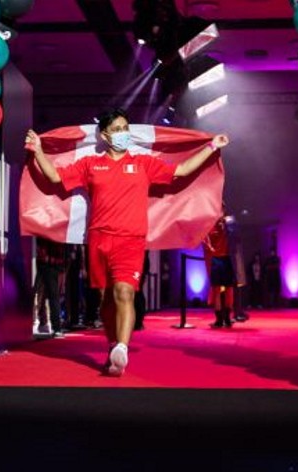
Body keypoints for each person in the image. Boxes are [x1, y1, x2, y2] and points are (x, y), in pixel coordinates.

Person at [26, 108, 229, 376]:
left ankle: (122, 346)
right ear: (105, 134)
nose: (123, 133)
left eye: (126, 128)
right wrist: (38, 150)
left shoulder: (144, 163)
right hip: (98, 239)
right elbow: (55, 177)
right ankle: (112, 344)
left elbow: (181, 170)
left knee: (125, 292)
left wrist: (212, 147)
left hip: (131, 240)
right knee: (106, 299)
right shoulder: (89, 165)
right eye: (118, 129)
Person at [202, 216, 236, 328]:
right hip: (216, 259)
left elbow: (236, 240)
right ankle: (219, 319)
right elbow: (204, 240)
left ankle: (227, 317)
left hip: (227, 258)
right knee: (216, 289)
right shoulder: (209, 222)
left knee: (229, 288)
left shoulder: (229, 221)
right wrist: (210, 248)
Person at [34, 236, 68, 338]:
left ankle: (52, 325)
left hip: (54, 261)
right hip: (45, 260)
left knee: (52, 295)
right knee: (41, 292)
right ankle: (42, 322)